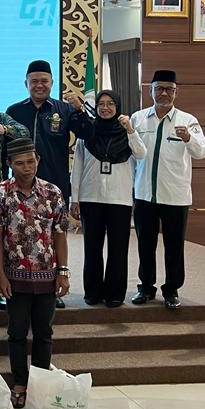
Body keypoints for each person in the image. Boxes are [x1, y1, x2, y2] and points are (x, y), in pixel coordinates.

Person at [0, 137, 70, 408]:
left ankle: (40, 384)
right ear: (10, 164)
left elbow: (60, 235)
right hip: (14, 277)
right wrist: (0, 276)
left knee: (44, 332)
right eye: (20, 163)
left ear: (38, 161)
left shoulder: (53, 193)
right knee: (17, 332)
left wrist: (63, 271)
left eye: (31, 162)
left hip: (47, 275)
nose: (27, 168)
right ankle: (20, 383)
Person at [7, 59, 93, 308]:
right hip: (20, 188)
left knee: (53, 238)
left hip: (53, 187)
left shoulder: (64, 110)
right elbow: (5, 150)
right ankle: (15, 288)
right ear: (26, 83)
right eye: (34, 81)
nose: (39, 85)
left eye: (44, 81)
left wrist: (80, 109)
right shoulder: (14, 111)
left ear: (52, 83)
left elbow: (88, 133)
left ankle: (53, 290)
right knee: (18, 238)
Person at [130, 70, 205, 309]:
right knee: (145, 244)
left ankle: (172, 289)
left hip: (176, 196)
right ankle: (146, 287)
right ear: (151, 90)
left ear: (176, 92)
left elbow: (203, 151)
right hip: (144, 194)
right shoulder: (138, 119)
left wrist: (188, 139)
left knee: (174, 246)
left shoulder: (188, 120)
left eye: (169, 89)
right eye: (159, 88)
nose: (164, 93)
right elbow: (132, 155)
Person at [69, 90, 145, 307]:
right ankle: (92, 292)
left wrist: (130, 130)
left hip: (119, 199)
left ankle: (114, 293)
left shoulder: (127, 131)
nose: (105, 108)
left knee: (118, 249)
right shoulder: (87, 132)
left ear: (117, 107)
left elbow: (141, 154)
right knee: (92, 248)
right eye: (101, 104)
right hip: (90, 197)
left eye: (110, 104)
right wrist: (75, 198)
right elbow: (77, 167)